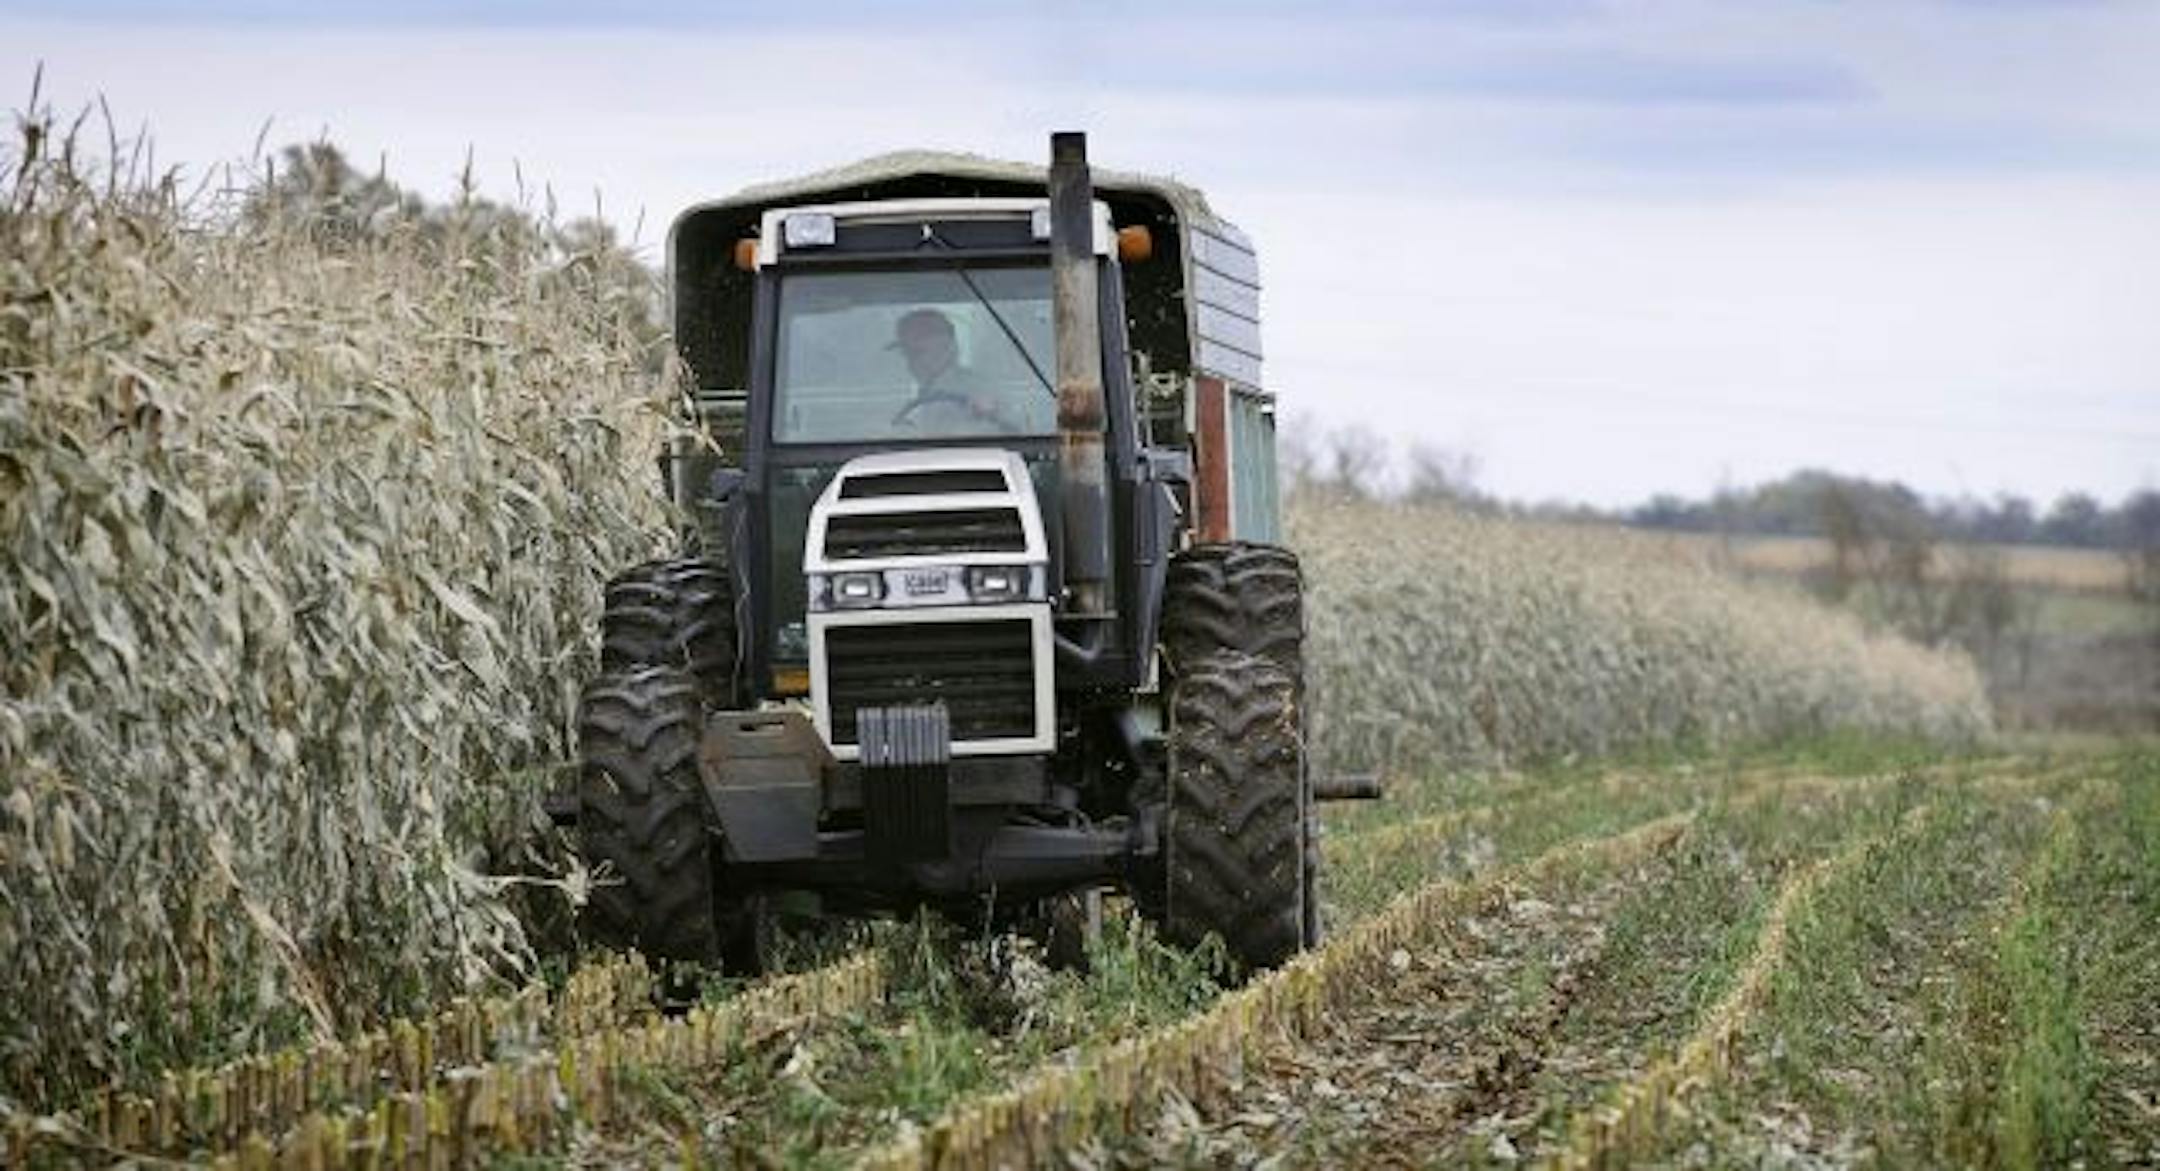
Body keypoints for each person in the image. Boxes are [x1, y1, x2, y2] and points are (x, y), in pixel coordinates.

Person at [886, 308, 1021, 434]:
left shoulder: (978, 388)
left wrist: (990, 413)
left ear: (946, 349)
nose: (910, 362)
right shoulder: (923, 392)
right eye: (906, 353)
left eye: (916, 352)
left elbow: (1015, 428)